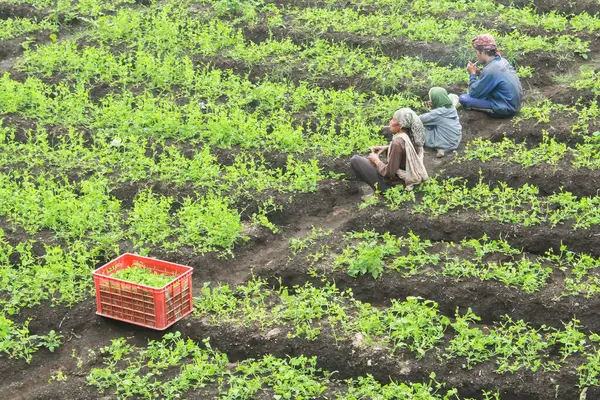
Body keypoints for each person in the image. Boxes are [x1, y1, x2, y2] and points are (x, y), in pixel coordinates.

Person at [350, 108, 428, 197]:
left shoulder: (397, 143)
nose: (390, 121)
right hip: (409, 179)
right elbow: (405, 151)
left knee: (355, 160)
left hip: (394, 187)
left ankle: (379, 192)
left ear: (401, 125)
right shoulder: (412, 137)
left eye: (394, 119)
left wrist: (376, 160)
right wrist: (387, 148)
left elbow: (389, 173)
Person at [458, 34, 522, 117]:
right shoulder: (502, 61)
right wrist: (479, 73)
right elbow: (494, 80)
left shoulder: (491, 69)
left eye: (476, 52)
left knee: (464, 98)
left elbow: (473, 93)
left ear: (483, 52)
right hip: (514, 103)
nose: (476, 55)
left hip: (505, 108)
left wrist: (472, 75)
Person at [420, 87, 462, 158]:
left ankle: (440, 147)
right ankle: (441, 148)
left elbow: (420, 119)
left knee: (423, 130)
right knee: (436, 125)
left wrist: (432, 107)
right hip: (456, 141)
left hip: (446, 143)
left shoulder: (437, 114)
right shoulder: (452, 108)